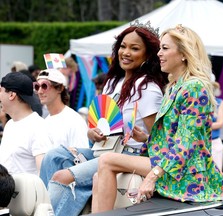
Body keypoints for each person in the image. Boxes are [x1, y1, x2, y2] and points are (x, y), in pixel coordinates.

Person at [91, 24, 223, 213]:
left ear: (184, 54)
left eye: (165, 48)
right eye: (160, 48)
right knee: (101, 170)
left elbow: (187, 142)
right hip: (168, 163)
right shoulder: (174, 86)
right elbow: (174, 137)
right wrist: (146, 138)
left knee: (106, 160)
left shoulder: (193, 87)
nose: (159, 54)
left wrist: (152, 176)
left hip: (185, 172)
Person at [39, 21, 168, 216]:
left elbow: (160, 139)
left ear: (148, 55)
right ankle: (49, 206)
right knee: (54, 156)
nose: (126, 52)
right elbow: (103, 122)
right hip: (103, 149)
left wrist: (143, 138)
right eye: (123, 46)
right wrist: (92, 133)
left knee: (62, 176)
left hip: (130, 155)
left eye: (134, 48)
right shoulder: (113, 82)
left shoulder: (147, 88)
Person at [0, 72, 52, 175]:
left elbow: (45, 175)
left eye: (0, 91)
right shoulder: (10, 124)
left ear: (11, 95)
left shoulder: (38, 127)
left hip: (27, 191)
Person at [35, 68, 89, 149]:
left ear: (60, 88)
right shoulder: (45, 122)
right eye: (37, 86)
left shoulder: (74, 121)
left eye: (44, 86)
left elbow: (82, 156)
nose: (40, 91)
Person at [211, 80, 223, 171]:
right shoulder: (197, 102)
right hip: (200, 142)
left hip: (214, 142)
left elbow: (220, 123)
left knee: (217, 171)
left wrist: (201, 125)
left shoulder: (219, 102)